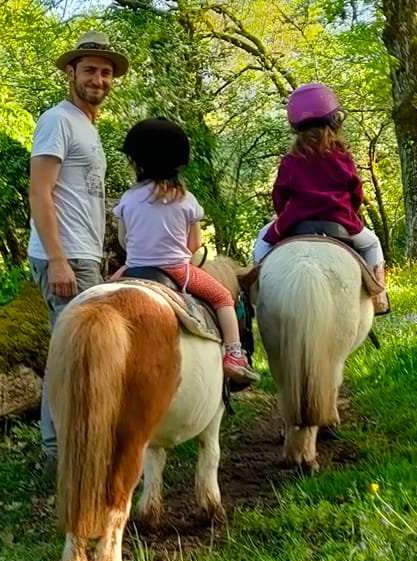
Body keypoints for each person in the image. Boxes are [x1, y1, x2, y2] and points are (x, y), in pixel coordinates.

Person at [29, 33, 125, 458]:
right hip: (64, 257)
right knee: (72, 357)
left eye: (105, 72)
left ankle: (75, 447)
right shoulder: (58, 120)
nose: (98, 79)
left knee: (81, 354)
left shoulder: (87, 126)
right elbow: (40, 192)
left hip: (83, 255)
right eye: (89, 70)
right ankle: (59, 453)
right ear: (71, 72)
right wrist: (57, 260)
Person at [114, 118, 256, 385]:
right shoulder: (186, 200)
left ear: (136, 162)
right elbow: (195, 244)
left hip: (132, 269)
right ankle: (235, 355)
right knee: (223, 297)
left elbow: (124, 240)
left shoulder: (128, 198)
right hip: (177, 271)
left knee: (98, 296)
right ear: (178, 162)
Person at [251, 83, 389, 310]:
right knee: (372, 243)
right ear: (333, 120)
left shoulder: (291, 159)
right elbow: (356, 191)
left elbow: (279, 195)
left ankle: (255, 293)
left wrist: (283, 216)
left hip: (295, 220)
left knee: (262, 240)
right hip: (340, 220)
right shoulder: (342, 156)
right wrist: (351, 212)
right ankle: (379, 295)